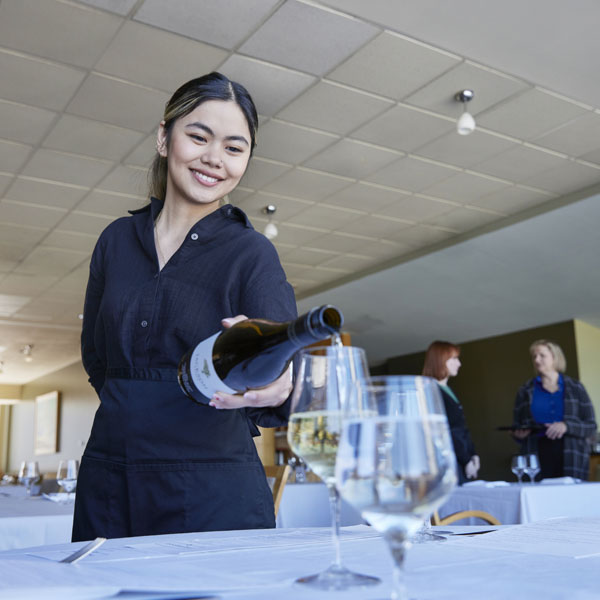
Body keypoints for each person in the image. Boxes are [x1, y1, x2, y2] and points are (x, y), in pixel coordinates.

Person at [73, 72, 297, 542]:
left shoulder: (251, 253)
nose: (214, 159)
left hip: (212, 483)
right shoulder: (115, 241)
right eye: (199, 137)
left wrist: (277, 382)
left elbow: (280, 368)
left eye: (234, 148)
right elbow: (97, 358)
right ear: (164, 137)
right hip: (110, 477)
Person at [512, 340, 596, 480]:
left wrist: (566, 426)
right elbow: (517, 424)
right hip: (535, 454)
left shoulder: (576, 388)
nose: (537, 360)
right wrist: (518, 434)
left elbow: (591, 426)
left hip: (572, 454)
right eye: (534, 356)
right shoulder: (525, 390)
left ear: (555, 358)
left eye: (542, 355)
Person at [423, 341, 480, 484]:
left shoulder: (448, 390)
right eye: (454, 359)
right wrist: (466, 460)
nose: (459, 364)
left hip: (460, 460)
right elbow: (446, 431)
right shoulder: (431, 391)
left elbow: (461, 427)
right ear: (440, 360)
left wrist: (473, 454)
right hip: (449, 464)